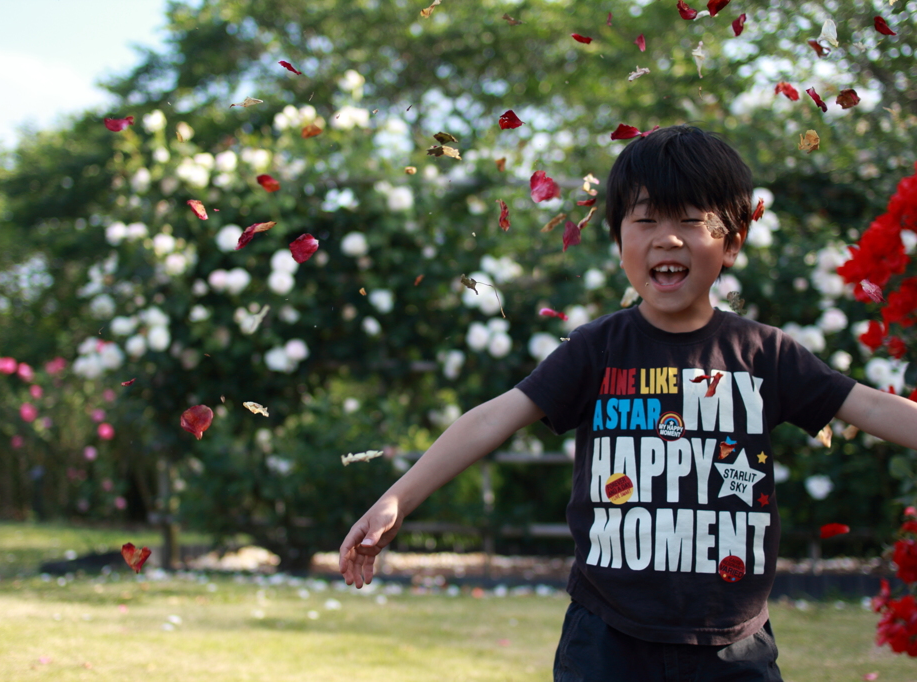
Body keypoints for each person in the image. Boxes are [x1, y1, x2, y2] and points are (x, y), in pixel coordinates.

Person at [338, 124, 917, 681]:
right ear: (619, 241)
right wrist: (398, 499)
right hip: (607, 639)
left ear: (732, 242)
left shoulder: (763, 354)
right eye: (645, 221)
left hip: (733, 642)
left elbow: (869, 407)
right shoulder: (596, 349)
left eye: (692, 222)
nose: (667, 238)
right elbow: (494, 416)